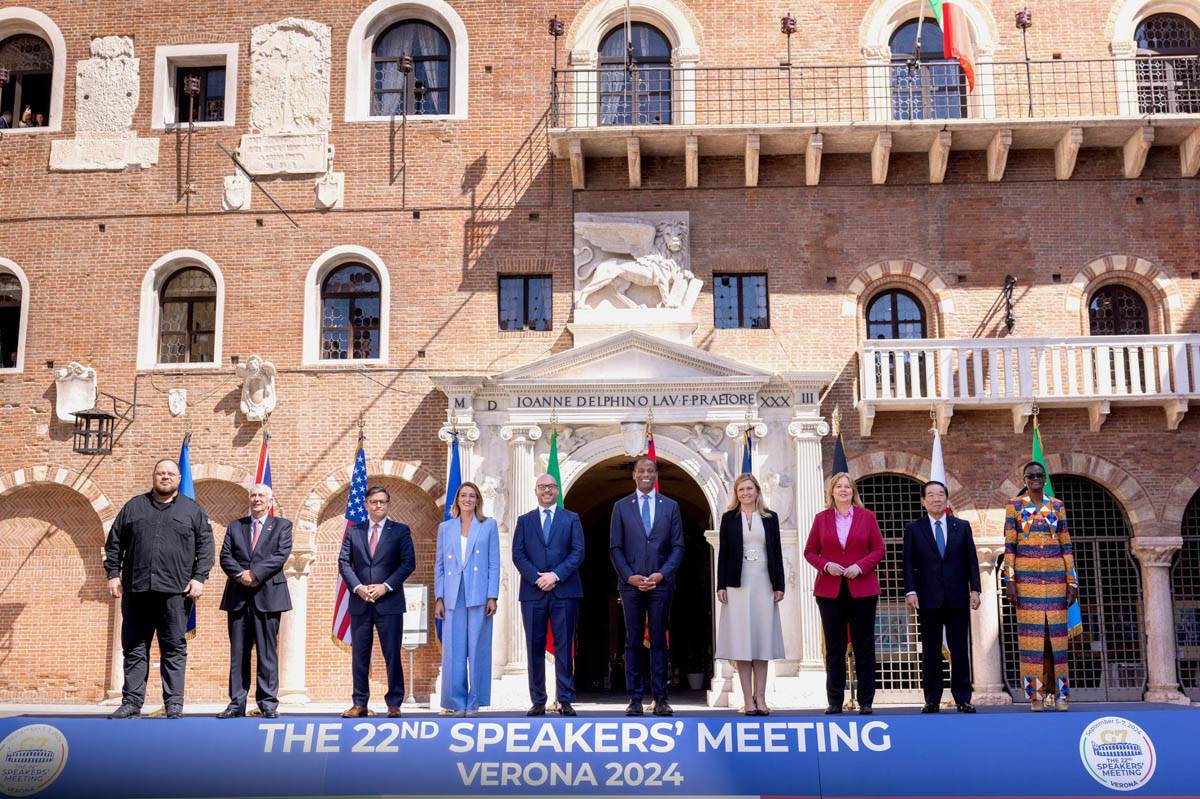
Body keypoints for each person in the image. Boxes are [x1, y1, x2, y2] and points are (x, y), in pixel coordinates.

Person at [103, 459, 214, 719]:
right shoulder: (134, 507)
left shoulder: (192, 510)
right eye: (161, 473)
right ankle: (131, 703)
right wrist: (113, 574)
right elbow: (114, 543)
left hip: (175, 593)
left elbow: (206, 547)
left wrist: (199, 578)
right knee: (134, 648)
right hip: (137, 590)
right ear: (154, 477)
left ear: (178, 478)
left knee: (174, 648)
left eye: (170, 474)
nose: (165, 477)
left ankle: (173, 704)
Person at [803, 472, 884, 715]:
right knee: (834, 648)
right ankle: (835, 701)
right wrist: (827, 565)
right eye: (839, 486)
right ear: (832, 491)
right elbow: (810, 552)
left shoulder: (867, 517)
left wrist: (860, 566)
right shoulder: (821, 519)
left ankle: (866, 701)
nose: (843, 490)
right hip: (830, 591)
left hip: (863, 590)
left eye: (847, 486)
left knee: (864, 646)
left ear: (853, 491)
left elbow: (878, 549)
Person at [610, 457, 684, 717]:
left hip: (661, 585)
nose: (645, 474)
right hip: (630, 586)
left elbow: (678, 547)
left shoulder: (670, 506)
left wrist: (661, 574)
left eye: (650, 470)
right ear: (634, 474)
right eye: (641, 470)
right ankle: (635, 699)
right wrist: (629, 576)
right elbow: (615, 547)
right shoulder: (621, 507)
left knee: (658, 641)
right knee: (632, 641)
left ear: (656, 475)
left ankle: (661, 699)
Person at [902, 480, 980, 714]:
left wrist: (975, 589)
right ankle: (932, 699)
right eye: (931, 495)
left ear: (946, 499)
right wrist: (910, 591)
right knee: (931, 651)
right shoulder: (914, 529)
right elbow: (908, 564)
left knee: (960, 650)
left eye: (940, 494)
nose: (936, 499)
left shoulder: (961, 526)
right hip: (928, 599)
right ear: (923, 501)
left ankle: (963, 698)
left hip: (957, 597)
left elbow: (971, 560)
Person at [1004, 461, 1077, 712]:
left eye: (1039, 475)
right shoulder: (1014, 506)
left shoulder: (1057, 506)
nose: (1035, 478)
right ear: (1024, 479)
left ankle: (1060, 696)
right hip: (1026, 582)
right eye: (1030, 475)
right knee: (1032, 641)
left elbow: (1066, 545)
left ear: (1045, 479)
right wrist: (1010, 581)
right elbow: (1009, 545)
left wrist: (1072, 581)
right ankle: (1035, 696)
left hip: (1056, 581)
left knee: (1057, 642)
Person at [338, 485, 416, 718]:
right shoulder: (354, 531)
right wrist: (358, 587)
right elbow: (343, 562)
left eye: (382, 501)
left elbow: (408, 563)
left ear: (388, 504)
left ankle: (394, 703)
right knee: (360, 656)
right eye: (373, 501)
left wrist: (385, 586)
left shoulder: (400, 531)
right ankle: (359, 703)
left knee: (392, 654)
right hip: (360, 602)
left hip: (389, 602)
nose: (378, 505)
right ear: (366, 505)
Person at [216, 483, 293, 719]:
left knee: (267, 653)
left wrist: (255, 573)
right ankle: (236, 703)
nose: (256, 499)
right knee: (238, 653)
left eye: (261, 495)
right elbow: (225, 556)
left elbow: (280, 555)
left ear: (270, 501)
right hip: (238, 596)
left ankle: (267, 703)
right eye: (253, 495)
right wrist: (241, 575)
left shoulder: (282, 525)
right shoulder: (235, 526)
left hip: (269, 597)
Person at [512, 473, 584, 716]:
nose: (546, 490)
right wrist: (537, 578)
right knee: (534, 647)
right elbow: (518, 554)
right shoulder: (524, 521)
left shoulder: (572, 518)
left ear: (557, 491)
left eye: (551, 487)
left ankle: (565, 699)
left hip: (565, 591)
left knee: (564, 646)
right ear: (535, 491)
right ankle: (538, 700)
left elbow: (578, 552)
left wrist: (555, 575)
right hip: (533, 593)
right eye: (542, 487)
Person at [715, 473, 785, 715]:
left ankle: (761, 698)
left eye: (749, 488)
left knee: (761, 640)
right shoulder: (729, 518)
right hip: (737, 583)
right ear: (737, 494)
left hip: (764, 581)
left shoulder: (770, 517)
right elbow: (723, 554)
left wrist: (779, 585)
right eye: (741, 490)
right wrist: (721, 585)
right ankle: (748, 700)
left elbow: (777, 552)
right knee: (742, 642)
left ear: (757, 491)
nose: (745, 493)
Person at [434, 482, 499, 717]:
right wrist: (439, 597)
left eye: (472, 496)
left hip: (479, 593)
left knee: (478, 648)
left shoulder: (488, 525)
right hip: (453, 594)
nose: (468, 499)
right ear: (457, 500)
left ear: (478, 500)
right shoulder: (445, 528)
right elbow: (440, 565)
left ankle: (475, 701)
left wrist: (492, 595)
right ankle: (456, 701)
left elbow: (494, 563)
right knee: (454, 650)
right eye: (463, 495)